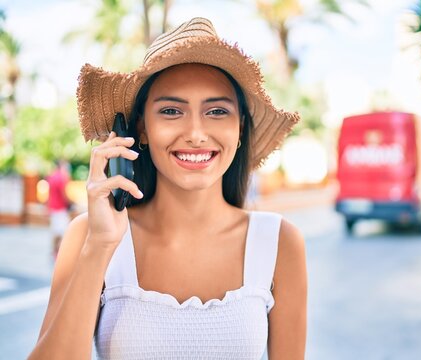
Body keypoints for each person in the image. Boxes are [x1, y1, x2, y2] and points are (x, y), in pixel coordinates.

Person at [29, 17, 306, 359]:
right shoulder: (89, 236)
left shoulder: (279, 242)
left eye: (217, 111)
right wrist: (100, 245)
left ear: (240, 129)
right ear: (142, 128)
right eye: (172, 111)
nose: (195, 133)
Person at [46, 159, 71, 259]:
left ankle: (54, 252)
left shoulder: (51, 176)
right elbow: (63, 193)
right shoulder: (61, 177)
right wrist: (70, 203)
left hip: (53, 208)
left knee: (55, 232)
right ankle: (59, 254)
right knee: (62, 233)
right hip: (60, 208)